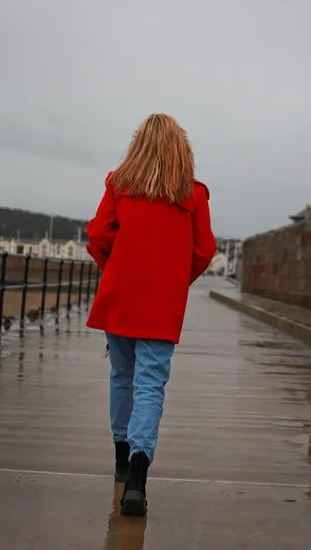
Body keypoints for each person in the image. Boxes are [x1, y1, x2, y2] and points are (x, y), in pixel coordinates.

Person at [86, 113, 216, 515]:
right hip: (161, 302)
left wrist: (114, 269)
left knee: (121, 376)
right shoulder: (193, 194)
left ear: (138, 144)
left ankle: (122, 461)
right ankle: (138, 481)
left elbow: (98, 235)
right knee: (150, 385)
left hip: (120, 296)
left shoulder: (119, 185)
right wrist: (175, 281)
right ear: (182, 149)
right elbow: (204, 250)